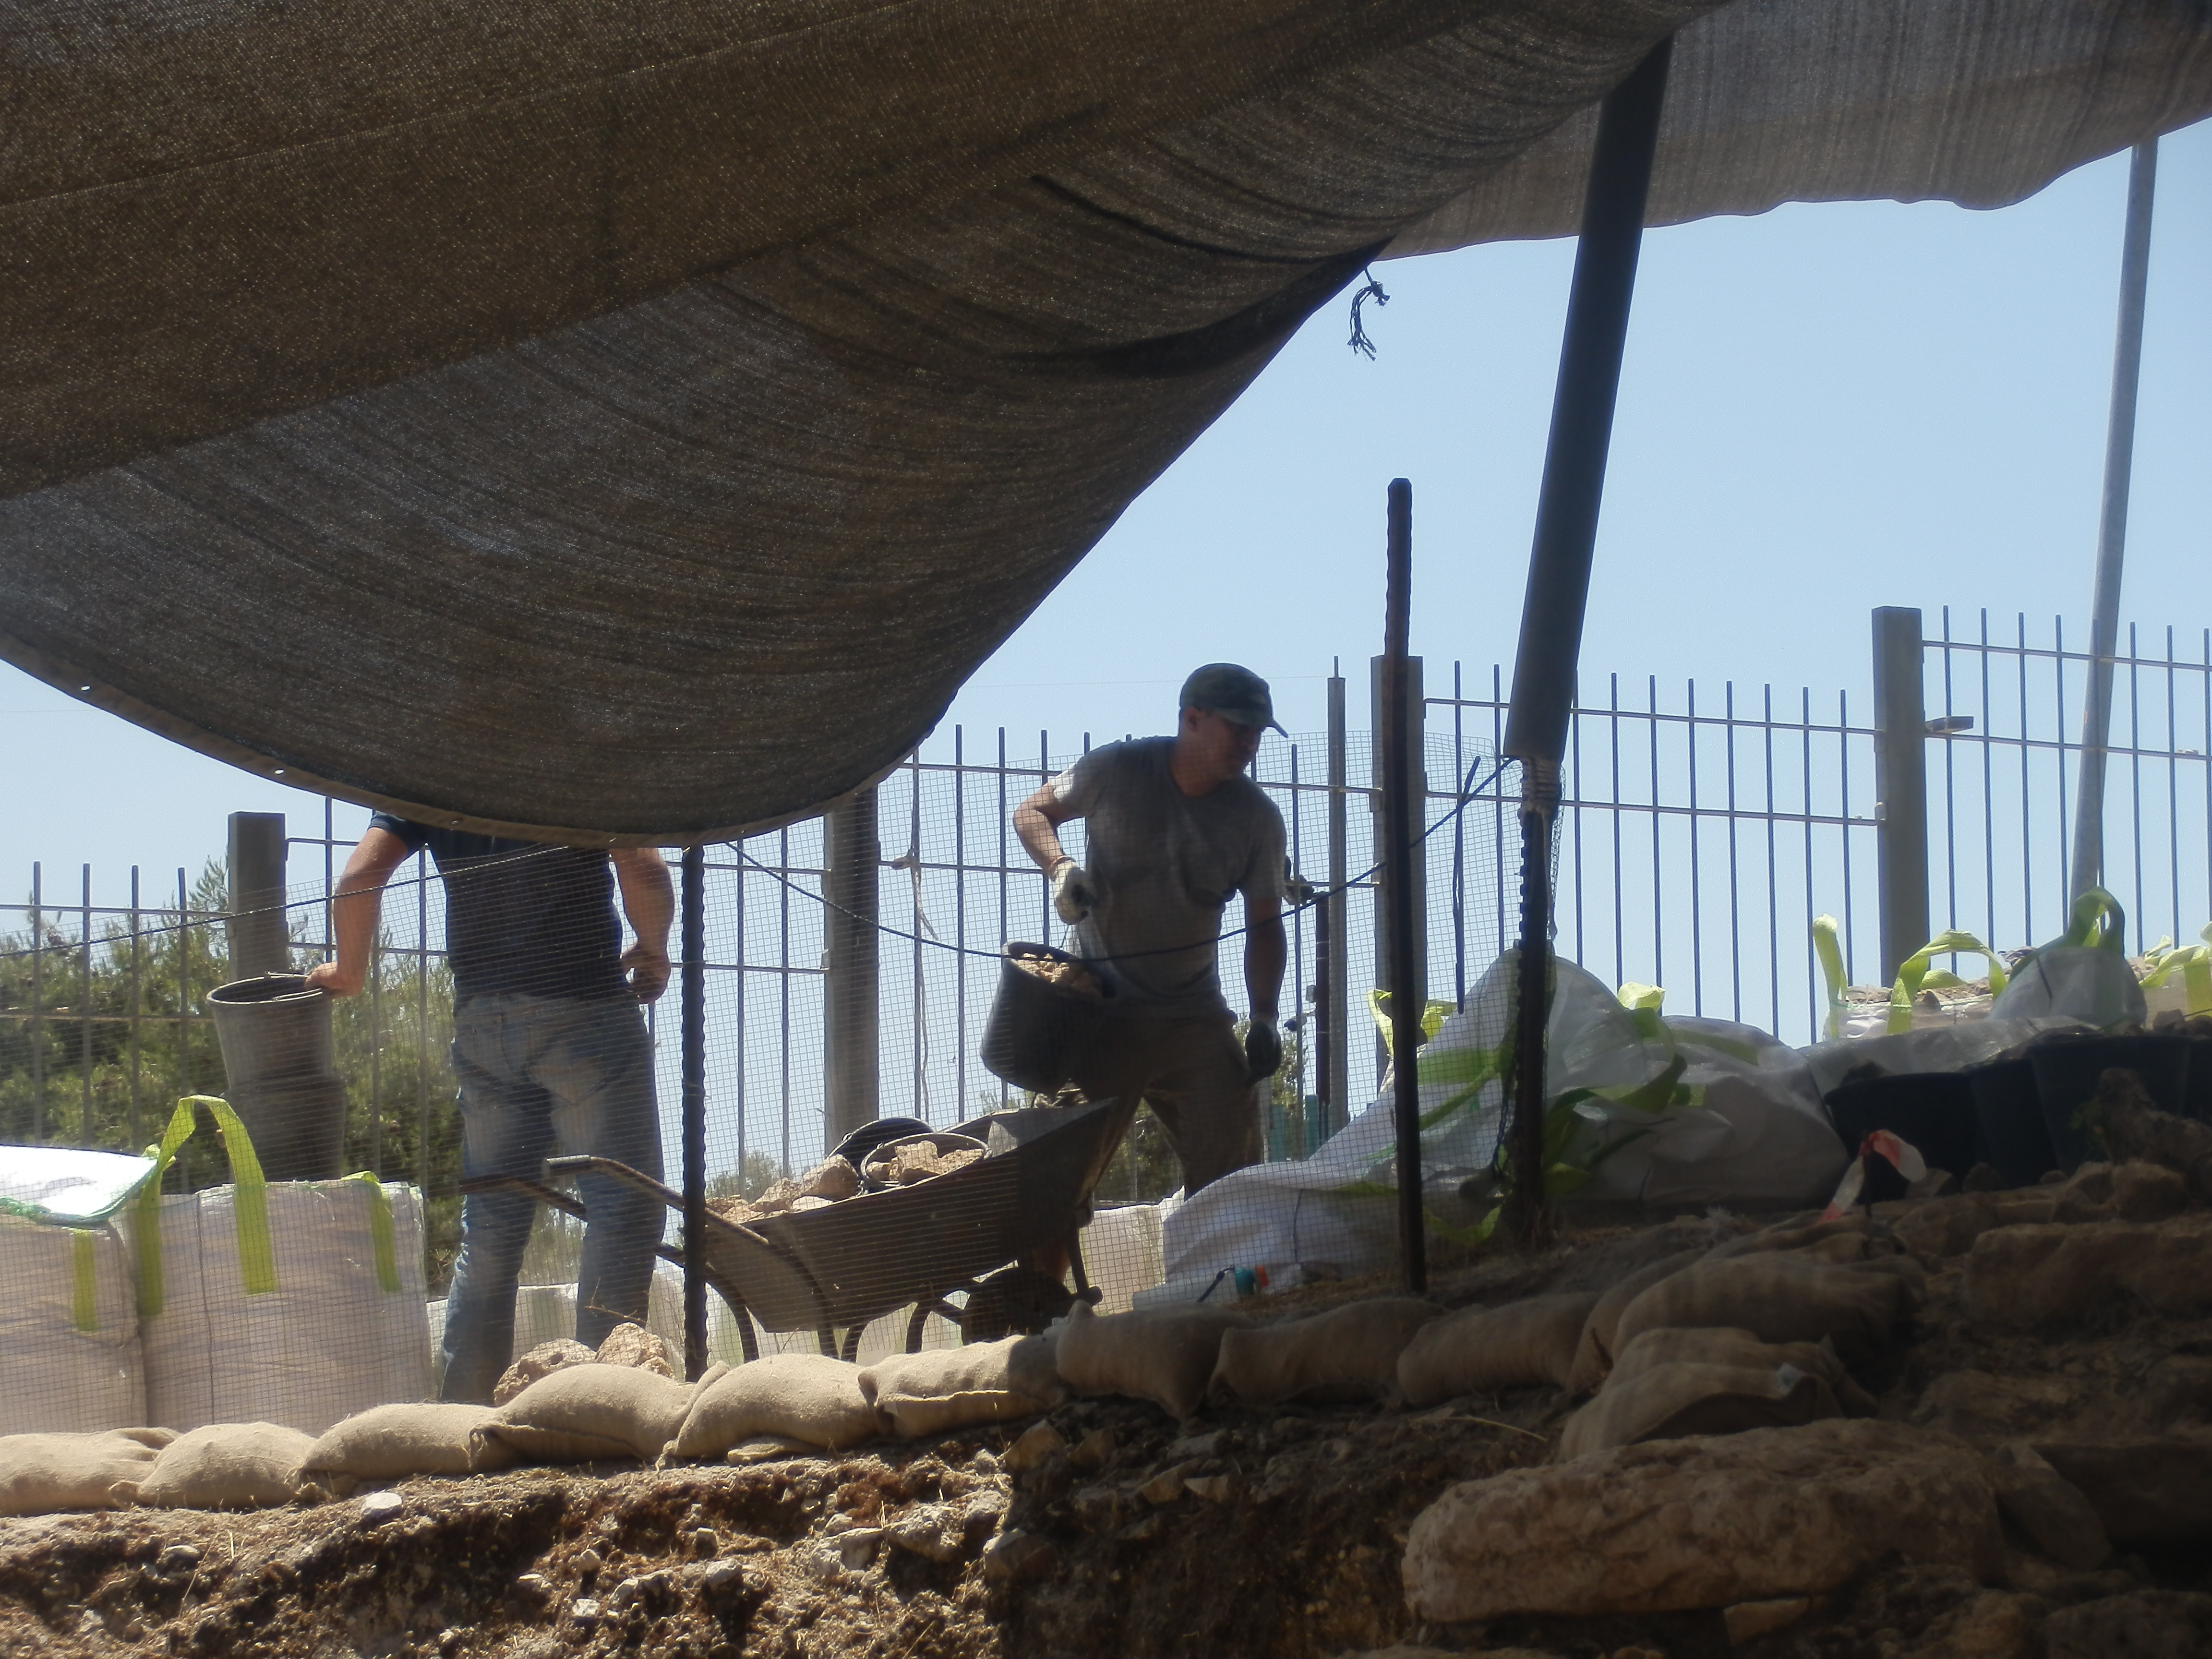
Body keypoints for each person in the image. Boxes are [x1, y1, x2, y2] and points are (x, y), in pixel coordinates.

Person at [306, 817, 673, 1403]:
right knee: (621, 1207)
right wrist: (653, 947)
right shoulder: (581, 768)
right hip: (584, 1006)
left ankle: (463, 1416)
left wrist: (348, 971)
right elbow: (642, 864)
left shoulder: (435, 774)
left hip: (481, 1022)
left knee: (493, 1226)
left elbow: (360, 875)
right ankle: (602, 1406)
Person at [1013, 663, 1289, 1193]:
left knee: (1235, 1184)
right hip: (1097, 1011)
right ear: (1192, 719)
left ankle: (1224, 1250)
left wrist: (1265, 1017)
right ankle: (1045, 1250)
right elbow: (1032, 811)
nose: (1248, 743)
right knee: (1052, 1183)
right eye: (1238, 727)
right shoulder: (1117, 768)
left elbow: (1265, 927)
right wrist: (1061, 868)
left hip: (1191, 1019)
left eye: (1257, 731)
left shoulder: (1257, 819)